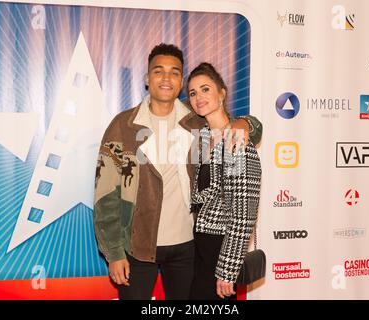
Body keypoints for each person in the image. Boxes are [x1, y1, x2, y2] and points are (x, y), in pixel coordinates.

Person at [93, 43, 262, 300]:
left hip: (188, 248)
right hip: (138, 248)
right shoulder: (123, 126)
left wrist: (246, 123)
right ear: (147, 79)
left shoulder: (196, 122)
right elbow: (105, 195)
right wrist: (114, 252)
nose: (166, 78)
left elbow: (238, 129)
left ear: (180, 81)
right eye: (158, 71)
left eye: (174, 72)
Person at [187, 62, 262, 300]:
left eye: (205, 89)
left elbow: (243, 214)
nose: (199, 97)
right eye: (193, 93)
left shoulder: (237, 142)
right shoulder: (204, 138)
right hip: (201, 245)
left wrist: (227, 271)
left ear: (222, 93)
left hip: (221, 248)